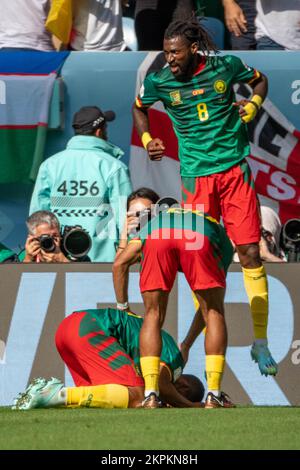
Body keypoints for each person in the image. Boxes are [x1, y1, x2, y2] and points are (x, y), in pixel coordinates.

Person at [132, 19, 278, 378]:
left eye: (176, 53)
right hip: (197, 179)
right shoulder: (159, 81)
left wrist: (254, 104)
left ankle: (260, 342)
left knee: (249, 253)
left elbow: (261, 79)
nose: (170, 60)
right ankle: (199, 344)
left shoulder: (224, 67)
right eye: (166, 53)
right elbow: (139, 107)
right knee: (207, 262)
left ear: (193, 50)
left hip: (233, 171)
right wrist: (149, 138)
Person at [113, 187, 235, 408]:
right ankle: (214, 394)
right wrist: (186, 344)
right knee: (215, 311)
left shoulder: (154, 225)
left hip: (159, 238)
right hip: (201, 234)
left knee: (152, 314)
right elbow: (208, 310)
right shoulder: (221, 237)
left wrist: (123, 308)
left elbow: (119, 263)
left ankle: (150, 394)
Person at [12, 307, 205, 410]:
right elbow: (162, 386)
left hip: (67, 328)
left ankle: (36, 399)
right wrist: (190, 406)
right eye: (176, 398)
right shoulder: (175, 361)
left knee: (97, 400)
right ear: (184, 386)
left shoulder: (157, 344)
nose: (168, 403)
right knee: (138, 396)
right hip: (90, 328)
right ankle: (52, 394)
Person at [30, 106, 132, 262]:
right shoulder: (114, 167)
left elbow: (37, 219)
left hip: (55, 258)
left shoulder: (49, 165)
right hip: (103, 263)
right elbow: (126, 219)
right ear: (99, 131)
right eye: (106, 128)